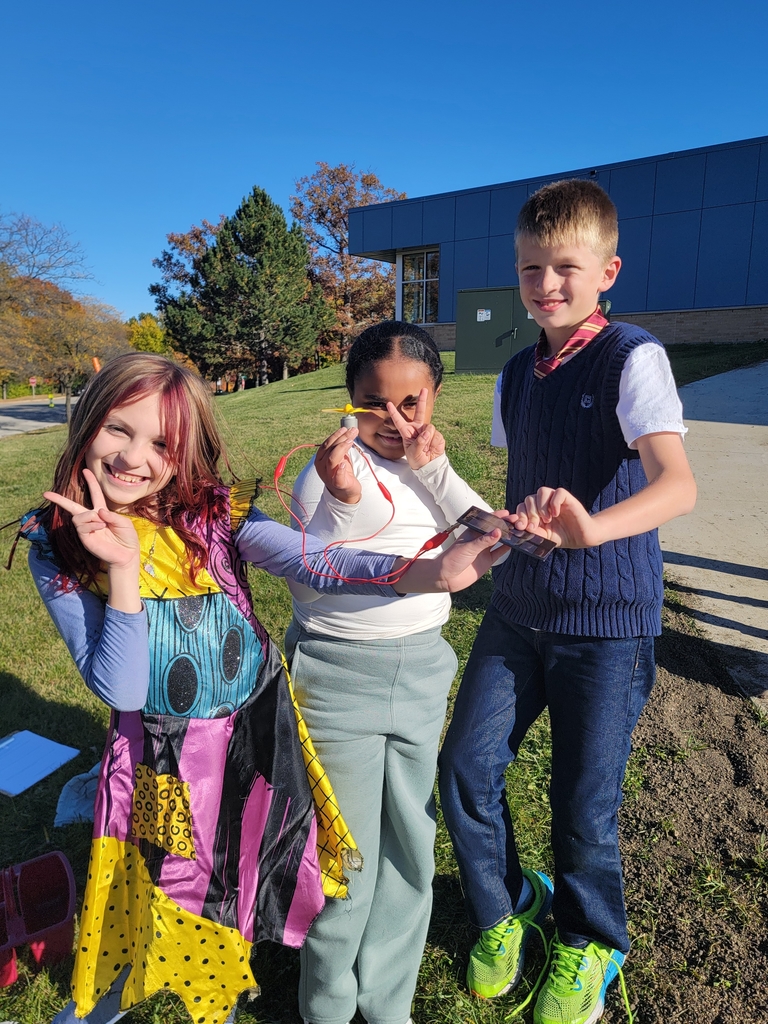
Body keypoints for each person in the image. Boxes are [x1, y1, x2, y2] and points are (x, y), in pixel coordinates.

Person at [18, 352, 503, 1024]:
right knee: (165, 884)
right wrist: (122, 570)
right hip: (161, 761)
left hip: (254, 734)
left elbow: (319, 561)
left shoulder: (211, 515)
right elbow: (122, 687)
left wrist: (431, 572)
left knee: (245, 864)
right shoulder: (56, 543)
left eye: (161, 441)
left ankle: (233, 962)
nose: (134, 457)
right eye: (118, 430)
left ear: (185, 451)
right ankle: (111, 999)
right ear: (87, 422)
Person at [437, 180, 697, 1024]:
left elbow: (678, 486)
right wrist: (474, 511)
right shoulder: (516, 372)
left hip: (606, 627)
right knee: (466, 771)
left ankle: (591, 939)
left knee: (584, 804)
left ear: (607, 270)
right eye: (530, 269)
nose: (546, 285)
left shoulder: (633, 357)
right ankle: (508, 906)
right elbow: (522, 490)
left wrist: (593, 531)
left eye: (565, 268)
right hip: (518, 611)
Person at [284, 321, 494, 1024]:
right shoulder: (330, 471)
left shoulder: (430, 464)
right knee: (345, 853)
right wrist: (340, 496)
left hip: (421, 671)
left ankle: (387, 1003)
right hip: (336, 675)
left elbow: (487, 530)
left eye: (413, 403)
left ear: (434, 397)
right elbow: (308, 577)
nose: (396, 422)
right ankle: (330, 1004)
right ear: (350, 399)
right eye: (376, 403)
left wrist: (436, 471)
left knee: (408, 836)